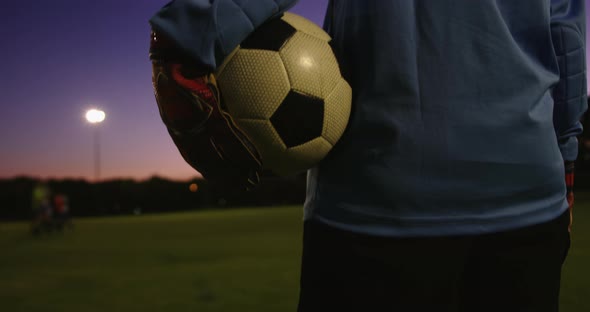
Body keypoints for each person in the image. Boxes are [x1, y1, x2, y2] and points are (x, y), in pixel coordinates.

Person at [149, 0, 587, 311]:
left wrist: (194, 30)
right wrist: (565, 157)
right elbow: (565, 37)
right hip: (528, 202)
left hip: (377, 205)